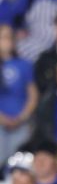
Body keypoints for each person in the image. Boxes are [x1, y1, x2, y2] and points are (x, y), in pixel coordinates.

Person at [0, 24, 38, 162]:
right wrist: (2, 118)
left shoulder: (24, 64)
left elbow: (33, 95)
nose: (8, 41)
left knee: (19, 161)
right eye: (4, 37)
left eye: (10, 37)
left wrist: (21, 118)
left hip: (21, 123)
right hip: (0, 123)